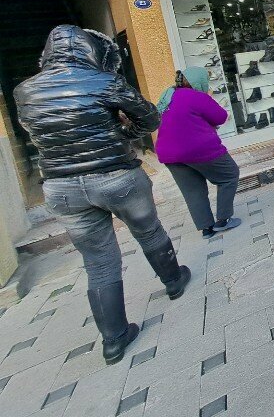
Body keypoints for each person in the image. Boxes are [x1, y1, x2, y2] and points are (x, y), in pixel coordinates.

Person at [14, 26, 191, 365]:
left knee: (97, 260)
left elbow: (34, 131)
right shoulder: (102, 81)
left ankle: (113, 339)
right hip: (115, 176)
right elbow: (150, 117)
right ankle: (173, 281)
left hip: (62, 187)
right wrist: (125, 132)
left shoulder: (25, 90)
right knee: (149, 231)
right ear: (89, 50)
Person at [155, 66, 241, 239]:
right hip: (197, 147)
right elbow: (221, 117)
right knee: (229, 174)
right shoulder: (196, 96)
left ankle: (206, 228)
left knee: (192, 190)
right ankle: (223, 219)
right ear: (199, 82)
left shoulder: (167, 95)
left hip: (168, 152)